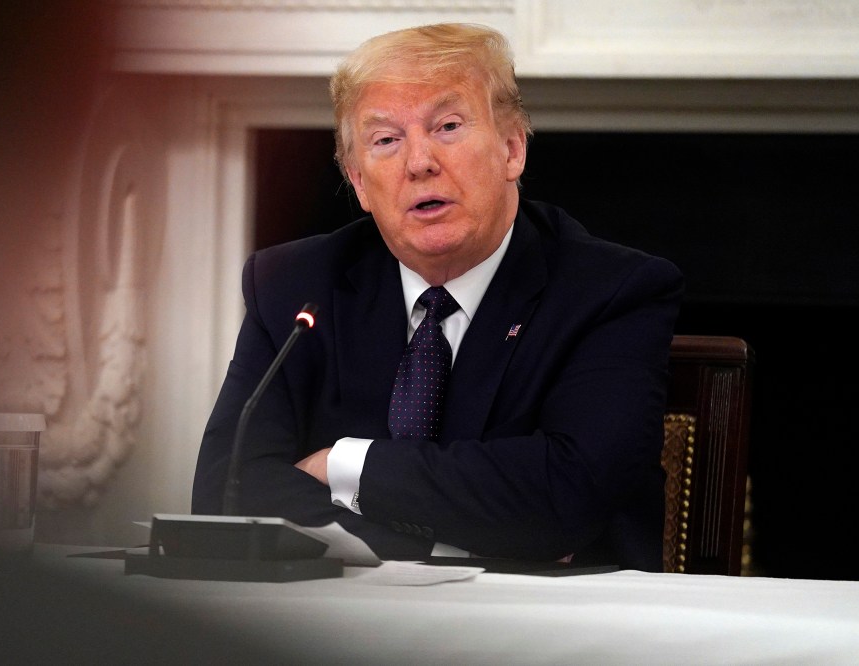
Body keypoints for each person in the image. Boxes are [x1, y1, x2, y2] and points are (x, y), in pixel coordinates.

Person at [192, 23, 683, 571]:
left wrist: (345, 464)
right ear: (358, 181)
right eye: (386, 140)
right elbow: (228, 492)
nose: (419, 161)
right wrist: (426, 550)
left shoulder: (609, 291)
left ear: (511, 148)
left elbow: (563, 494)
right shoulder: (292, 283)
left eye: (447, 126)